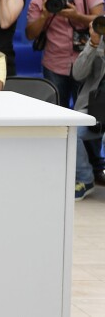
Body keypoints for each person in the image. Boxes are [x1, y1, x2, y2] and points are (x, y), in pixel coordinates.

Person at [26, 0, 104, 108]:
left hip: (86, 62)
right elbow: (30, 34)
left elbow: (100, 23)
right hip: (54, 64)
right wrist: (44, 15)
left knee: (85, 113)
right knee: (56, 115)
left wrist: (77, 16)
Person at [71, 21, 105, 200]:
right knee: (72, 130)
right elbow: (78, 74)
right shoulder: (98, 40)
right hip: (96, 105)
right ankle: (85, 178)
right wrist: (93, 44)